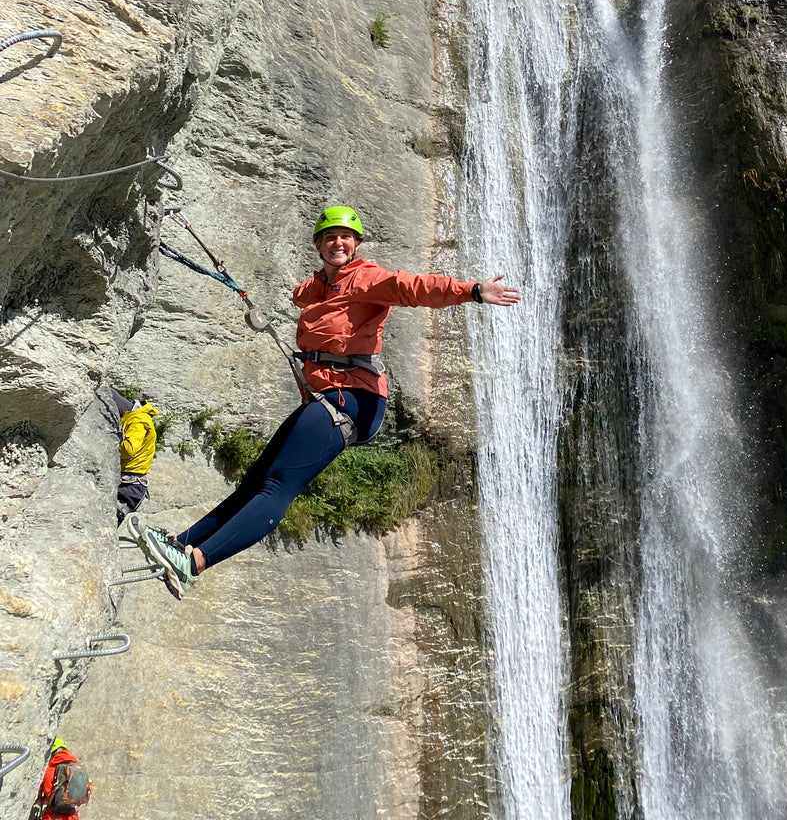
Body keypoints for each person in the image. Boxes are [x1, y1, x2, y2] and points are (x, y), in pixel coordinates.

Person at [126, 205, 520, 598]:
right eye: (330, 237)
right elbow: (306, 296)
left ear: (356, 244)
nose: (339, 242)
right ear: (319, 245)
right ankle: (181, 543)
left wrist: (471, 291)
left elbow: (411, 287)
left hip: (353, 398)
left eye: (346, 236)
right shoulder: (321, 288)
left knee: (279, 484)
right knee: (256, 480)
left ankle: (196, 560)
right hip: (330, 396)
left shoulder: (366, 279)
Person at [111, 389, 159, 524]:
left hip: (129, 487)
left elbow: (129, 449)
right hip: (130, 485)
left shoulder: (138, 420)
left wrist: (110, 441)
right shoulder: (135, 416)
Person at [30, 737, 91, 818]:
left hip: (54, 816)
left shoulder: (51, 769)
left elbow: (48, 793)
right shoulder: (76, 768)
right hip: (72, 816)